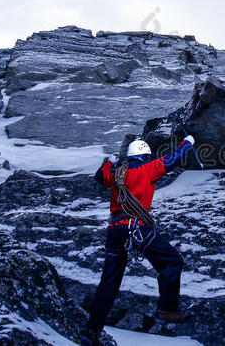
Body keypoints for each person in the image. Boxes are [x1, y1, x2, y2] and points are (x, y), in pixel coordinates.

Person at [81, 136, 195, 346]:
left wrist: (109, 161)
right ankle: (166, 309)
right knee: (171, 261)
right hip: (138, 228)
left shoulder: (117, 174)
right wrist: (188, 143)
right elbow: (173, 159)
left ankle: (92, 331)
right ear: (145, 155)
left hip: (115, 231)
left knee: (110, 281)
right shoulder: (148, 168)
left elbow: (100, 176)